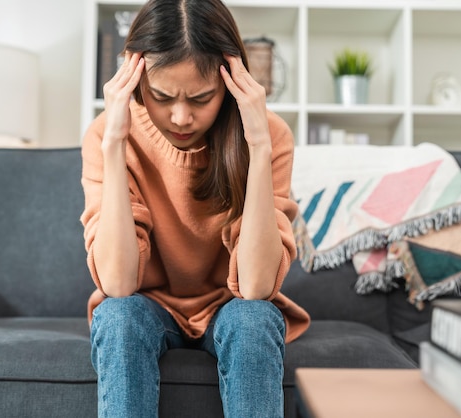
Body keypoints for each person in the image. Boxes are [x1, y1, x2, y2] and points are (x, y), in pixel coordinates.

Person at [80, 0, 310, 416]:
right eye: (162, 96)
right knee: (118, 317)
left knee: (254, 319)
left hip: (232, 306)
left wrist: (258, 146)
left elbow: (257, 288)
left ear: (229, 82)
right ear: (135, 81)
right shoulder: (107, 135)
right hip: (145, 305)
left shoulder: (268, 135)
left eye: (201, 98)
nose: (181, 117)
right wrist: (113, 142)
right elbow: (116, 283)